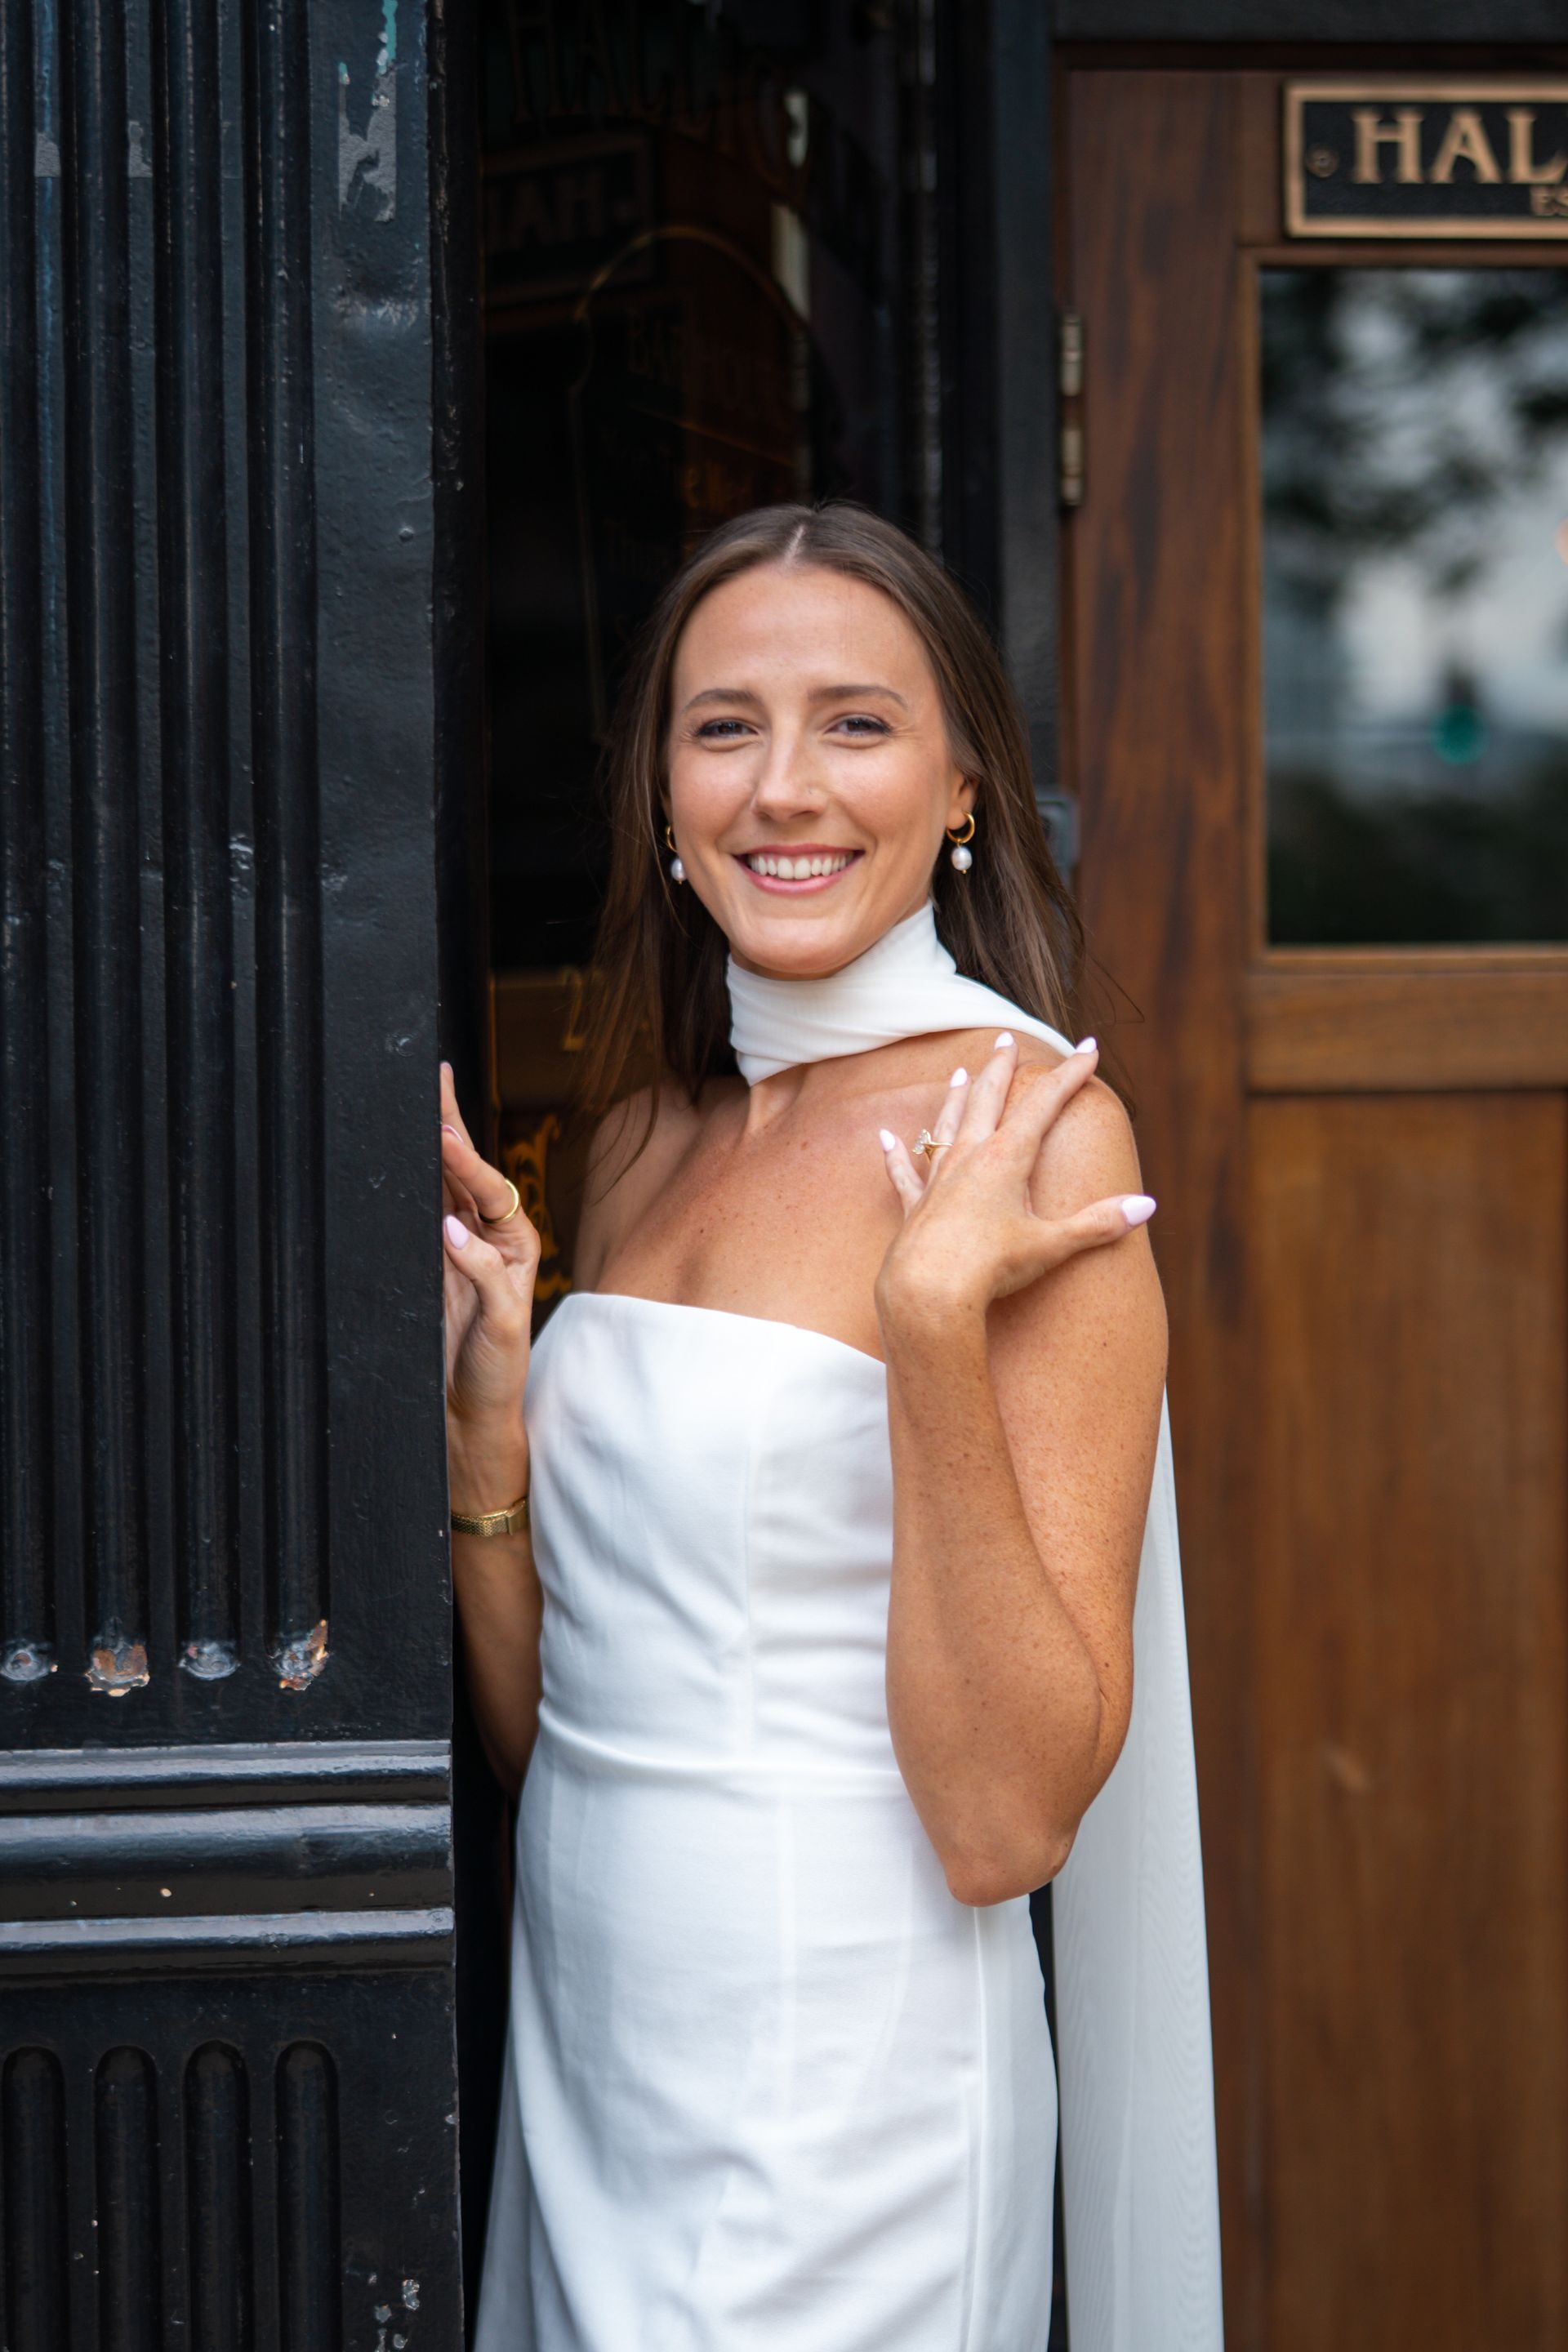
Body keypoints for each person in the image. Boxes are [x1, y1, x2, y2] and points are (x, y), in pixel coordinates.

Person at [443, 503, 1222, 2351]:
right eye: (725, 728)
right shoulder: (636, 1139)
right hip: (591, 2055)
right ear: (661, 793)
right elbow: (553, 1738)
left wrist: (934, 1326)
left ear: (964, 787)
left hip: (848, 2095)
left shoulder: (1034, 1134)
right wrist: (490, 1444)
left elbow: (1009, 1822)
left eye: (856, 724)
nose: (783, 786)